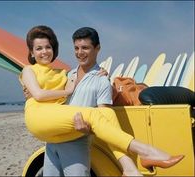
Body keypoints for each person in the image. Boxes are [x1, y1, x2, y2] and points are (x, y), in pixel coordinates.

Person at [20, 26, 184, 176]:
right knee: (99, 114)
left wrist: (87, 129)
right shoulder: (68, 75)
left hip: (75, 140)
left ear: (97, 49)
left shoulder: (101, 80)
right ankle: (139, 158)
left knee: (105, 113)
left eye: (85, 48)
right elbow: (42, 92)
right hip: (53, 137)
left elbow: (104, 121)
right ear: (32, 52)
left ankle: (136, 161)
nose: (80, 52)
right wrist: (31, 93)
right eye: (77, 48)